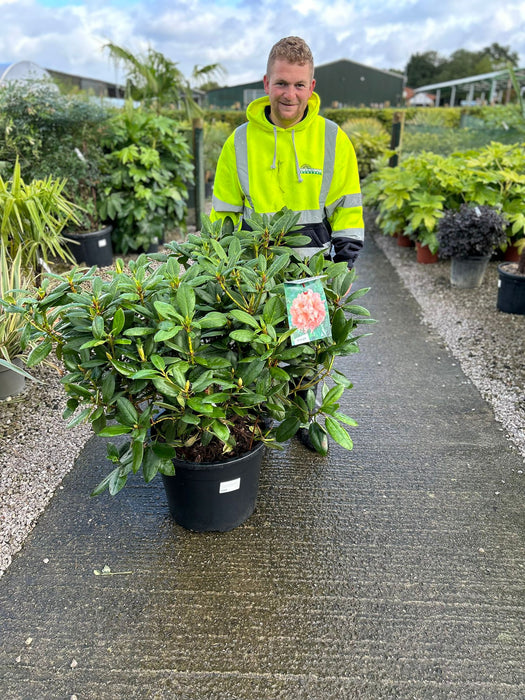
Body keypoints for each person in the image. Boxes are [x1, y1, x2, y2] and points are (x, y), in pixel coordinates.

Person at [210, 36, 365, 451]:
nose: (289, 94)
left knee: (307, 353)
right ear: (266, 83)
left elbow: (348, 207)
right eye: (281, 83)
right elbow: (223, 213)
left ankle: (305, 421)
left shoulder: (334, 140)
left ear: (312, 87)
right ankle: (254, 422)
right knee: (254, 350)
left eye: (299, 84)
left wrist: (344, 262)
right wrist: (222, 267)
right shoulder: (238, 142)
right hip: (252, 274)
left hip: (310, 272)